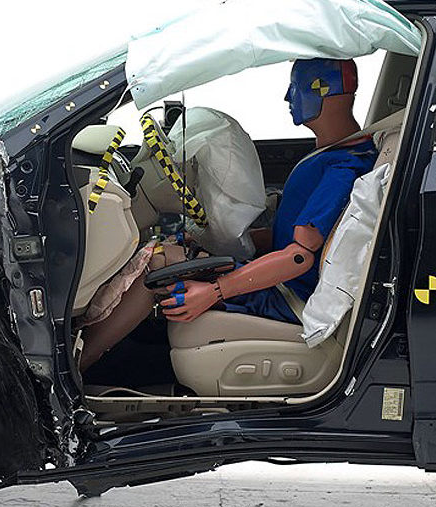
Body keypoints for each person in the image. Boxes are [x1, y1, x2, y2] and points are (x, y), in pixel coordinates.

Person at [80, 58, 379, 372]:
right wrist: (211, 242)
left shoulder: (342, 169)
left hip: (287, 297)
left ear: (323, 92)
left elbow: (299, 257)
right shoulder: (339, 152)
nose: (288, 97)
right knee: (172, 255)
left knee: (158, 262)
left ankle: (80, 363)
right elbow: (289, 237)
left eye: (295, 87)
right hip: (283, 284)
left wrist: (214, 291)